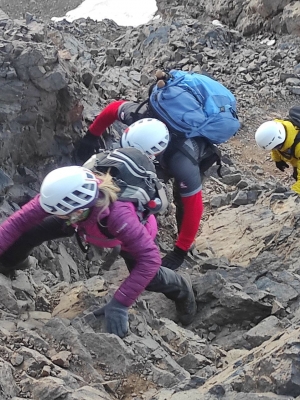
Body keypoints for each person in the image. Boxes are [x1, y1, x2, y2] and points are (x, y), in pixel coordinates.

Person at [0, 165, 197, 338]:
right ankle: (10, 262)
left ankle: (183, 289)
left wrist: (120, 303)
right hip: (84, 222)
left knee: (152, 278)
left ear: (75, 210)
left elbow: (150, 258)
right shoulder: (64, 193)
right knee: (32, 231)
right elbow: (18, 222)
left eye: (56, 211)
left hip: (127, 235)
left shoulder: (120, 218)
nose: (48, 211)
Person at [76, 100, 207, 271]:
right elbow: (113, 109)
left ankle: (187, 243)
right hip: (162, 150)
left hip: (196, 154)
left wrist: (180, 250)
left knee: (181, 199)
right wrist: (92, 135)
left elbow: (194, 207)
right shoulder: (138, 115)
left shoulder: (183, 163)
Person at [255, 119, 300, 194]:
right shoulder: (278, 129)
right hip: (296, 159)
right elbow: (275, 147)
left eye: (277, 147)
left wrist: (293, 195)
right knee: (296, 175)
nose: (275, 149)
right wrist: (277, 159)